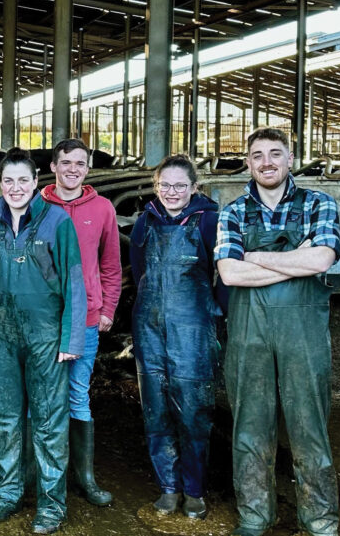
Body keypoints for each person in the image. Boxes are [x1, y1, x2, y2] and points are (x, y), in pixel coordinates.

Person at [215, 128, 340, 536]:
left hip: (302, 333)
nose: (266, 162)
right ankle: (254, 516)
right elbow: (230, 273)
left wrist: (256, 256)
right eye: (257, 155)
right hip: (249, 332)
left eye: (275, 153)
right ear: (248, 163)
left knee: (310, 426)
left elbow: (321, 259)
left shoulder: (318, 203)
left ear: (290, 158)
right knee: (250, 425)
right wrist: (293, 258)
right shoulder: (232, 211)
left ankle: (320, 520)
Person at [0, 151, 85, 534]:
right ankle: (7, 494)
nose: (15, 188)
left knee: (48, 420)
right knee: (5, 418)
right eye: (8, 181)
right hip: (2, 333)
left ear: (36, 180)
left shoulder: (57, 220)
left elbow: (75, 280)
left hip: (45, 336)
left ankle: (51, 503)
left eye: (23, 180)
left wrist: (71, 337)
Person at [129, 155, 223, 519]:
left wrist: (215, 314)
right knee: (156, 408)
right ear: (157, 187)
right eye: (165, 185)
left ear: (194, 188)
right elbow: (139, 272)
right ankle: (168, 488)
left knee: (194, 411)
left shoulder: (209, 221)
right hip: (150, 326)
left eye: (179, 185)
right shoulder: (144, 222)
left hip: (193, 328)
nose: (172, 192)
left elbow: (224, 274)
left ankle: (195, 490)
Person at [40, 138, 121, 506]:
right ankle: (40, 475)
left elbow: (110, 264)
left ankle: (84, 477)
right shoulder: (37, 204)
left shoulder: (102, 208)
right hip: (43, 319)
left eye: (79, 163)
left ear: (88, 168)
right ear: (54, 166)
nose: (72, 169)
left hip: (86, 318)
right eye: (65, 162)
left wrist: (107, 309)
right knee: (40, 397)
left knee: (77, 395)